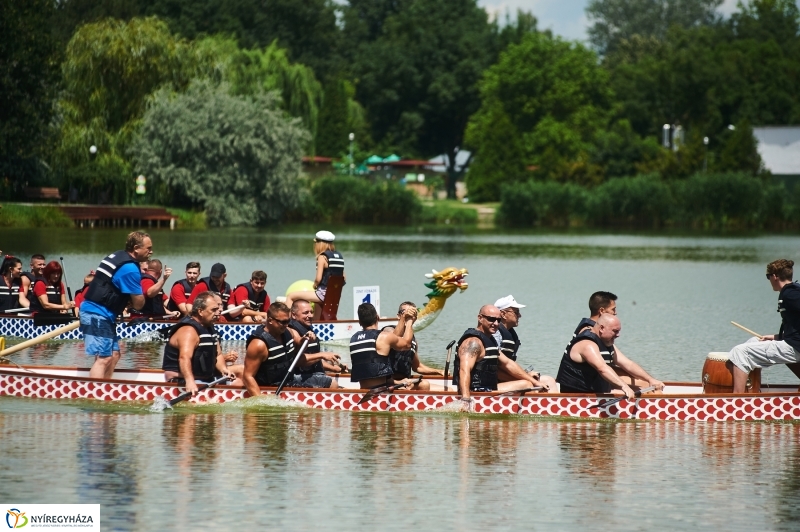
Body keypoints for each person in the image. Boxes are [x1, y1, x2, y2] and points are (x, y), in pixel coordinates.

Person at [80, 231, 152, 379]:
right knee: (104, 357)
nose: (151, 251)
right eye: (148, 248)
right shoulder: (130, 269)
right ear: (137, 248)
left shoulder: (118, 255)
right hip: (97, 313)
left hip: (101, 313)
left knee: (114, 355)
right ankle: (94, 394)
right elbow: (138, 304)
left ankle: (105, 387)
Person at [453, 305, 548, 409]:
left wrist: (535, 382)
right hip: (476, 391)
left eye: (498, 320)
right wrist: (466, 399)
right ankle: (536, 410)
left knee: (530, 383)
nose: (496, 323)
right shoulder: (473, 342)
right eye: (491, 319)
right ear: (480, 318)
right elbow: (464, 370)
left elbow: (507, 363)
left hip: (488, 388)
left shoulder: (490, 340)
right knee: (526, 385)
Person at [729, 259, 800, 393]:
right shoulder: (793, 290)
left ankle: (736, 401)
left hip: (795, 347)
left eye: (768, 277)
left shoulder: (791, 294)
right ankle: (754, 390)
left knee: (740, 352)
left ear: (775, 276)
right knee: (754, 341)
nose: (769, 280)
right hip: (793, 343)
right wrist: (776, 337)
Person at [556, 313, 664, 397]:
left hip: (598, 390)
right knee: (649, 393)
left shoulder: (606, 341)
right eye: (615, 331)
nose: (618, 335)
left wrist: (650, 379)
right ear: (602, 328)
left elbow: (628, 364)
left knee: (650, 387)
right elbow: (602, 368)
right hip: (579, 396)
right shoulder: (588, 345)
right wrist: (624, 387)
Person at [243, 302, 337, 396]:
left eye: (288, 321)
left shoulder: (288, 331)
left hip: (289, 379)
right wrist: (260, 400)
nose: (286, 325)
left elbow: (299, 342)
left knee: (330, 382)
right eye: (283, 322)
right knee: (331, 384)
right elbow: (248, 376)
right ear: (270, 320)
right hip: (272, 386)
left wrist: (305, 339)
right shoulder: (259, 344)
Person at [162, 292, 243, 395]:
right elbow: (184, 358)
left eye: (218, 309)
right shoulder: (189, 330)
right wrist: (189, 381)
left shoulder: (210, 328)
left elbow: (217, 354)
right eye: (213, 310)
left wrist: (223, 369)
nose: (218, 312)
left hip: (204, 377)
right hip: (180, 379)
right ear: (200, 311)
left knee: (239, 382)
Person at [349, 302, 421, 389]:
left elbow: (371, 372)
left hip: (362, 390)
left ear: (360, 322)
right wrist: (409, 321)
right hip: (380, 391)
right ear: (377, 317)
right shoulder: (383, 336)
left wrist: (399, 382)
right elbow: (407, 344)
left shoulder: (353, 339)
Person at [494, 295, 558, 390]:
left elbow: (509, 364)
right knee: (529, 384)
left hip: (504, 380)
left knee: (549, 380)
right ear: (503, 314)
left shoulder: (509, 333)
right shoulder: (495, 334)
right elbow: (497, 370)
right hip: (493, 383)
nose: (520, 315)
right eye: (516, 312)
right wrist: (527, 378)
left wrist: (525, 374)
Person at [383, 301, 444, 391]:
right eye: (405, 313)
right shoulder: (388, 331)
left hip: (407, 382)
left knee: (449, 389)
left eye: (412, 314)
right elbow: (395, 338)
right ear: (398, 315)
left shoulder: (413, 340)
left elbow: (417, 366)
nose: (409, 316)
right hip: (389, 382)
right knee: (424, 385)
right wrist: (405, 319)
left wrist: (438, 371)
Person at [285, 230, 345, 319]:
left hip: (322, 294)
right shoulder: (339, 257)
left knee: (290, 296)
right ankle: (316, 326)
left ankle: (287, 323)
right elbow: (343, 278)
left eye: (316, 242)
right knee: (317, 310)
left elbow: (318, 279)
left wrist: (314, 285)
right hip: (335, 295)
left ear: (319, 244)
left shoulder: (322, 257)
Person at [288, 299, 346, 377]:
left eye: (311, 312)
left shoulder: (308, 328)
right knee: (334, 384)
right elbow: (297, 360)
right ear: (294, 315)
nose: (310, 315)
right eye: (306, 313)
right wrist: (322, 354)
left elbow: (314, 359)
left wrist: (334, 368)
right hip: (300, 379)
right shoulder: (291, 331)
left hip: (316, 375)